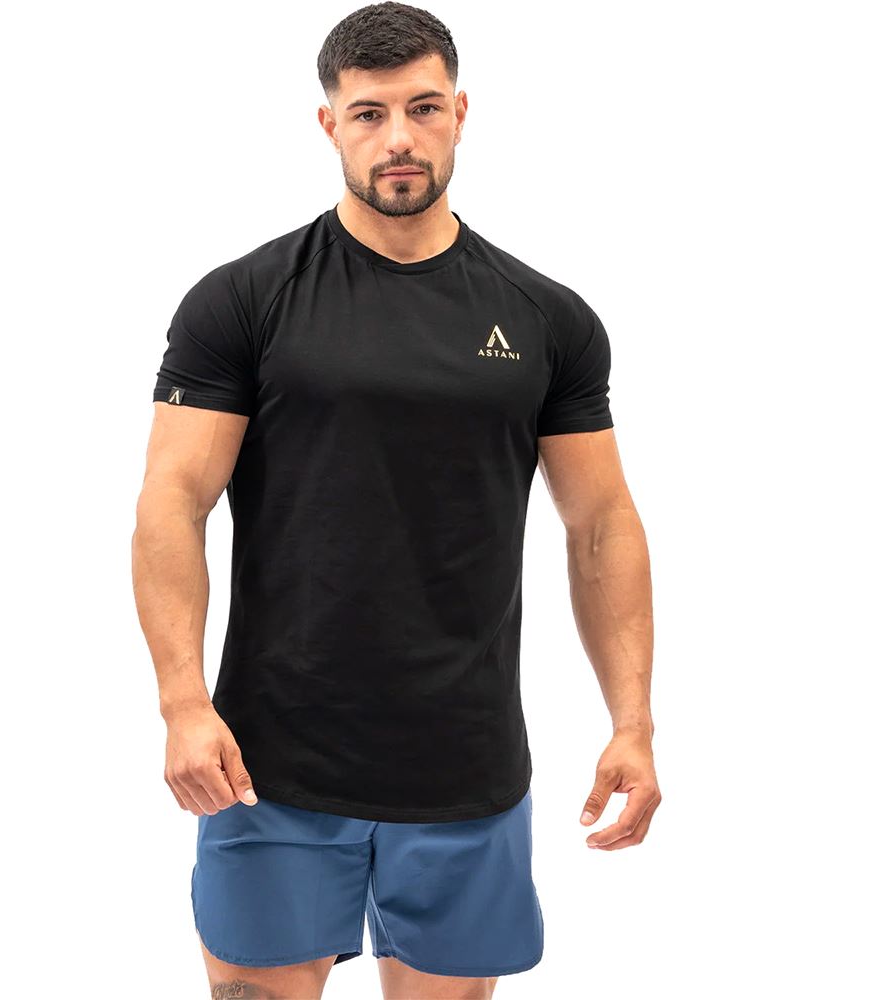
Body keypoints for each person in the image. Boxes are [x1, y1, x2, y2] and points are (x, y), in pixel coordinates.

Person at [132, 3, 660, 997]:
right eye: (369, 114)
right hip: (268, 762)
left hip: (465, 765)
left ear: (460, 112)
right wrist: (182, 703)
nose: (399, 138)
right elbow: (173, 501)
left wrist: (632, 720)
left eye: (422, 107)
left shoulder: (546, 318)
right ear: (329, 125)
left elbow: (600, 525)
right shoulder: (244, 301)